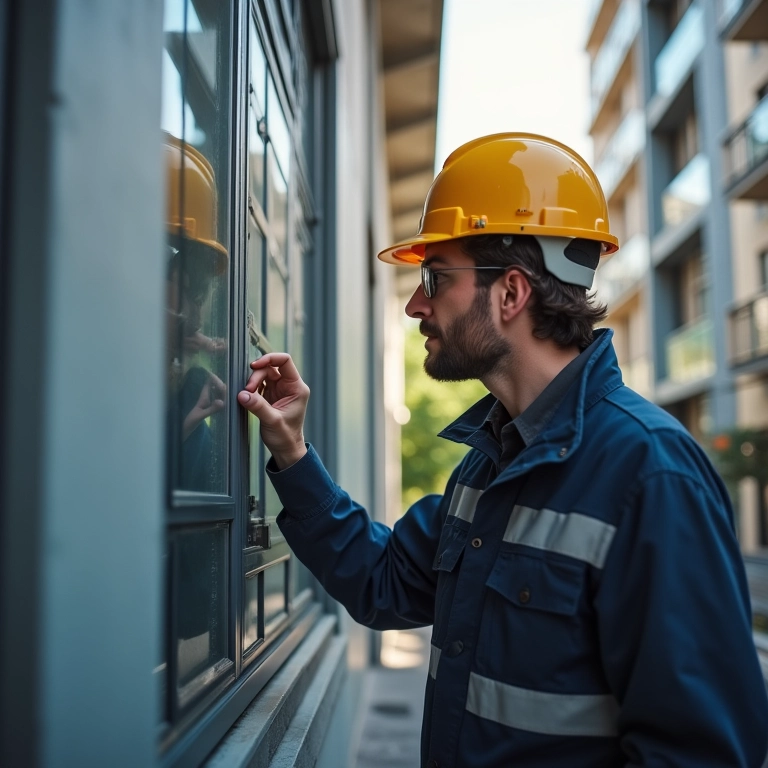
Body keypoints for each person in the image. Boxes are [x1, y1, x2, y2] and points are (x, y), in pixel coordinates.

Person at [237, 133, 768, 767]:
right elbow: (382, 581)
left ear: (511, 293)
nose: (415, 305)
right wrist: (292, 453)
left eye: (435, 279)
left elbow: (699, 753)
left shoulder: (651, 476)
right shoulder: (488, 462)